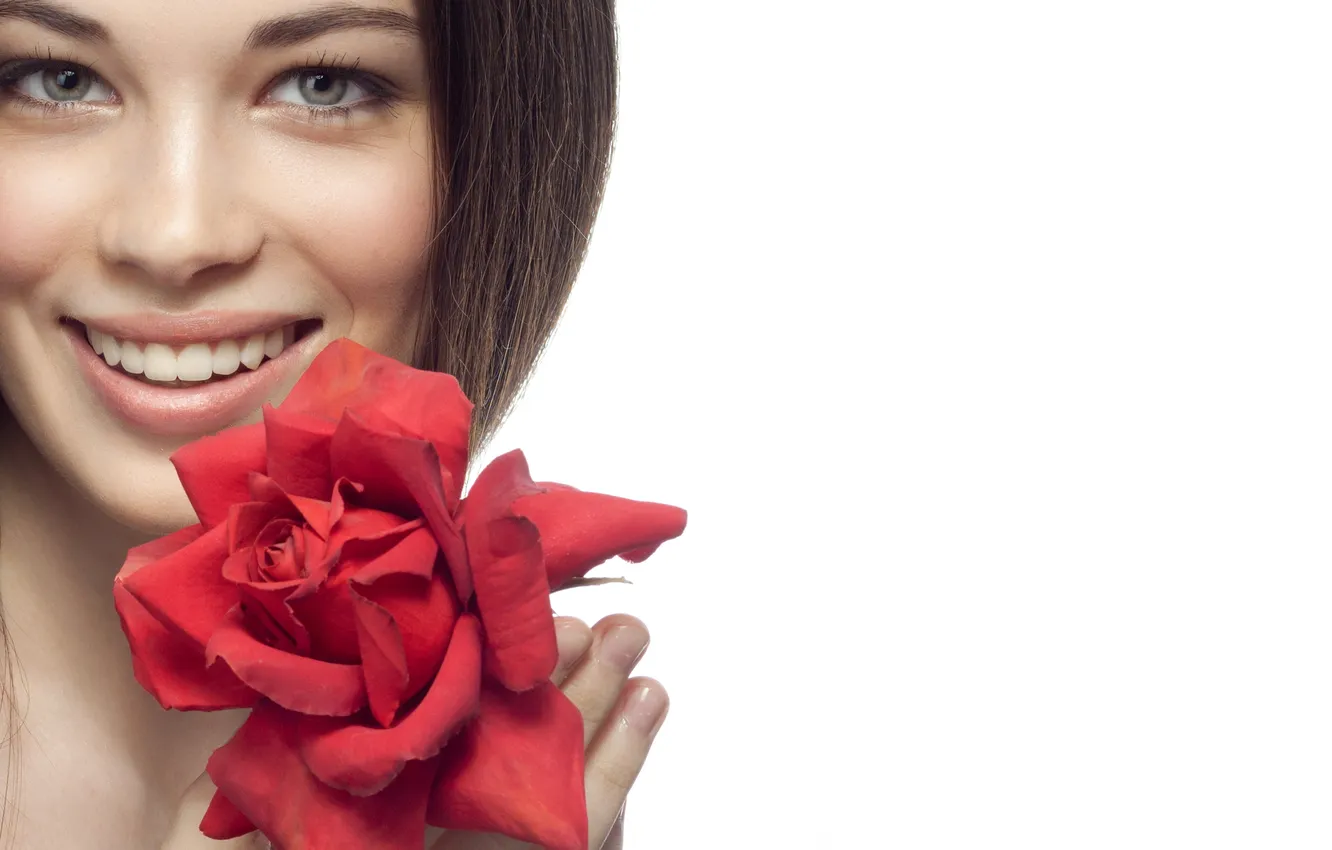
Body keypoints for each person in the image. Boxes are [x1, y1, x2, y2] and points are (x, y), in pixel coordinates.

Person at [0, 0, 667, 847]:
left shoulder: (523, 801)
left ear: (505, 142)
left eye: (322, 85)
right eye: (57, 80)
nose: (175, 237)